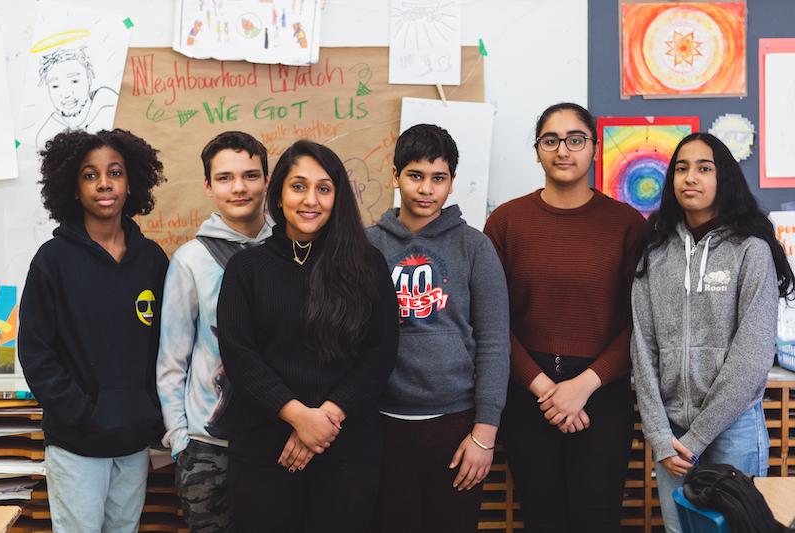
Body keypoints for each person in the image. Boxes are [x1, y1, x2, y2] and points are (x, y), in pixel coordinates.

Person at [216, 140, 399, 532]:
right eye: (298, 186)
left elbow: (380, 353)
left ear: (338, 198)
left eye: (324, 188)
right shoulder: (246, 268)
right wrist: (298, 416)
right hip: (264, 449)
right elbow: (239, 355)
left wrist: (325, 418)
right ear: (278, 194)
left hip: (347, 449)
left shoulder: (367, 265)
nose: (310, 199)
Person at [483, 103, 647, 533]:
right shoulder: (505, 222)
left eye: (576, 139)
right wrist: (547, 391)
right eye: (550, 140)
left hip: (602, 392)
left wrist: (583, 385)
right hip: (527, 390)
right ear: (536, 150)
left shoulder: (627, 224)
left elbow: (641, 321)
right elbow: (492, 320)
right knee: (541, 518)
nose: (563, 150)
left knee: (598, 518)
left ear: (594, 148)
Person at [630, 132, 795, 533]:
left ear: (724, 178)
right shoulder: (655, 252)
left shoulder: (751, 250)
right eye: (682, 168)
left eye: (704, 168)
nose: (691, 177)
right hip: (671, 435)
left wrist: (696, 437)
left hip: (733, 430)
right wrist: (660, 436)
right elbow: (642, 345)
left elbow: (752, 357)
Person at [18, 129, 168, 533]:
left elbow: (165, 346)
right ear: (73, 185)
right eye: (90, 175)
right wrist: (81, 412)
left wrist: (149, 413)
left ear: (131, 180)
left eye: (114, 172)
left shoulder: (152, 260)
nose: (104, 183)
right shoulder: (52, 261)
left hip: (134, 440)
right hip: (76, 443)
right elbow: (35, 351)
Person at [367, 124, 510, 533]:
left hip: (456, 424)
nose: (426, 189)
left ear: (451, 183)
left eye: (438, 178)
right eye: (415, 176)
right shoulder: (366, 246)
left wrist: (485, 433)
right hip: (382, 421)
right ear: (395, 176)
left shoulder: (475, 246)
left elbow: (495, 343)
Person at [156, 131, 272, 532]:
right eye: (224, 178)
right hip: (208, 445)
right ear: (208, 185)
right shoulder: (191, 260)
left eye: (250, 175)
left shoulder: (291, 251)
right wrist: (182, 442)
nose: (238, 187)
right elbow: (172, 359)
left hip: (278, 437)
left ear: (267, 180)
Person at [35, 47, 119, 147]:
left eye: (74, 81)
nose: (66, 94)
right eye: (55, 86)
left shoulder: (109, 106)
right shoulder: (47, 135)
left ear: (89, 79)